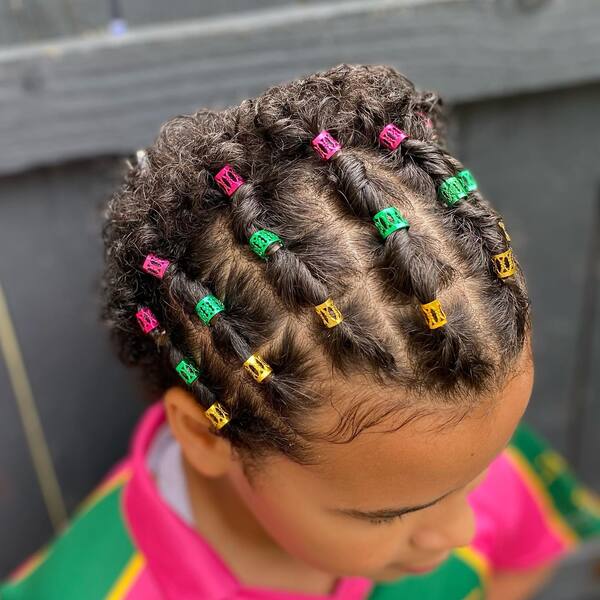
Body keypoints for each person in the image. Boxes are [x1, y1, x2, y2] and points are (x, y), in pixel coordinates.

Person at [2, 63, 599, 600]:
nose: (462, 527)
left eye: (478, 475)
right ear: (207, 436)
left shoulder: (446, 444)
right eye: (386, 516)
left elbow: (523, 553)